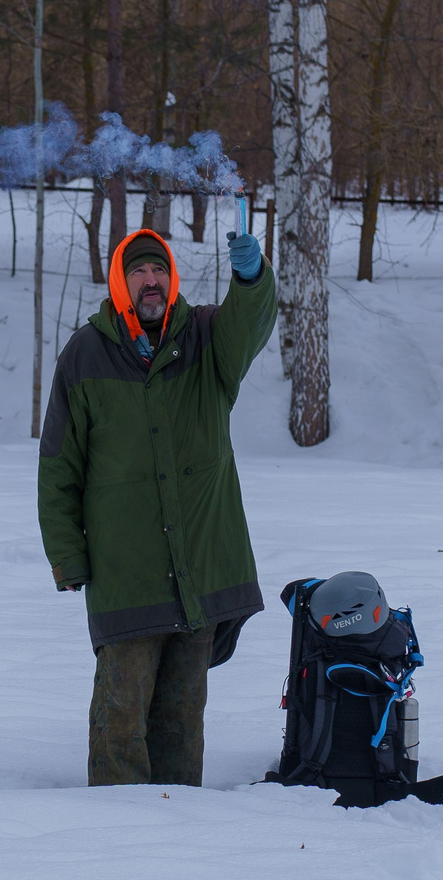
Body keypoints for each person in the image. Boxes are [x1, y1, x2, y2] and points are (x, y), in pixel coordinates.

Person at [38, 220, 275, 786]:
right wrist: (67, 556)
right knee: (120, 718)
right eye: (140, 270)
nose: (152, 280)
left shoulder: (206, 339)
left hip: (198, 566)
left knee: (181, 719)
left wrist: (250, 278)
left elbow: (251, 323)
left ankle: (178, 834)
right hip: (127, 572)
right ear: (121, 282)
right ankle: (115, 835)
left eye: (160, 269)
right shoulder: (85, 354)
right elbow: (58, 468)